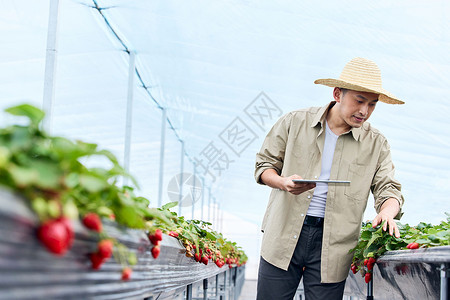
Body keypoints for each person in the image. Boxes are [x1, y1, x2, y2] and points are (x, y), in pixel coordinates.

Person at [254, 57, 405, 300]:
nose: (364, 111)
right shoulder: (295, 122)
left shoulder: (376, 143)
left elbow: (389, 189)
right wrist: (283, 182)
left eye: (372, 104)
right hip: (284, 233)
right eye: (359, 100)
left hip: (335, 244)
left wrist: (387, 212)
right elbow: (264, 166)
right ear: (337, 93)